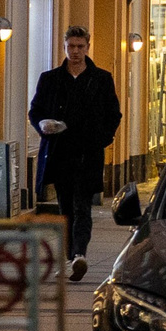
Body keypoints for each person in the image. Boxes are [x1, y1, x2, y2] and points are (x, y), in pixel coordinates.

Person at [31, 26, 123, 280]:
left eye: (80, 47)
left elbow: (113, 114)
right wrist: (42, 124)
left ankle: (79, 255)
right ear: (64, 47)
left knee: (82, 205)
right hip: (60, 153)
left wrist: (101, 139)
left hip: (87, 153)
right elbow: (35, 110)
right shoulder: (50, 79)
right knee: (65, 208)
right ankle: (71, 257)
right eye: (71, 46)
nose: (75, 51)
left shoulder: (101, 79)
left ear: (87, 48)